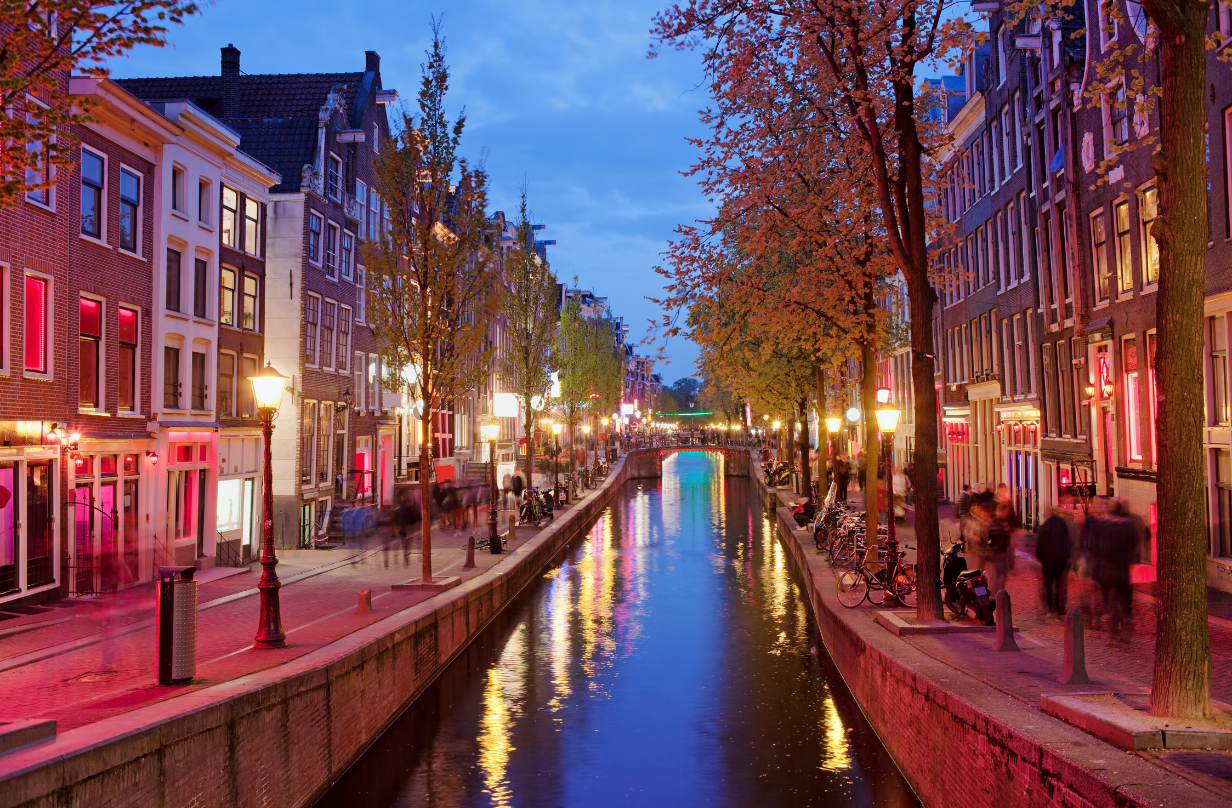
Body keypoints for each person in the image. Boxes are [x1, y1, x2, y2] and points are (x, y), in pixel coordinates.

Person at [1035, 507, 1073, 616]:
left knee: (1048, 585)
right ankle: (1058, 607)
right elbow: (1067, 542)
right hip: (1061, 560)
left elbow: (1040, 544)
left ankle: (1051, 608)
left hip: (1048, 561)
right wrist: (1066, 556)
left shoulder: (1044, 527)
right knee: (1059, 585)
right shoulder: (1062, 525)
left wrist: (1041, 557)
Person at [986, 502, 1012, 594]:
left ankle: (998, 595)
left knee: (1000, 575)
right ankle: (996, 596)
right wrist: (999, 550)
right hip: (997, 554)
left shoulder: (1000, 522)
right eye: (1005, 512)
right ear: (1001, 511)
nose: (1006, 514)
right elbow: (995, 538)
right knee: (997, 576)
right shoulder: (996, 523)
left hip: (999, 553)